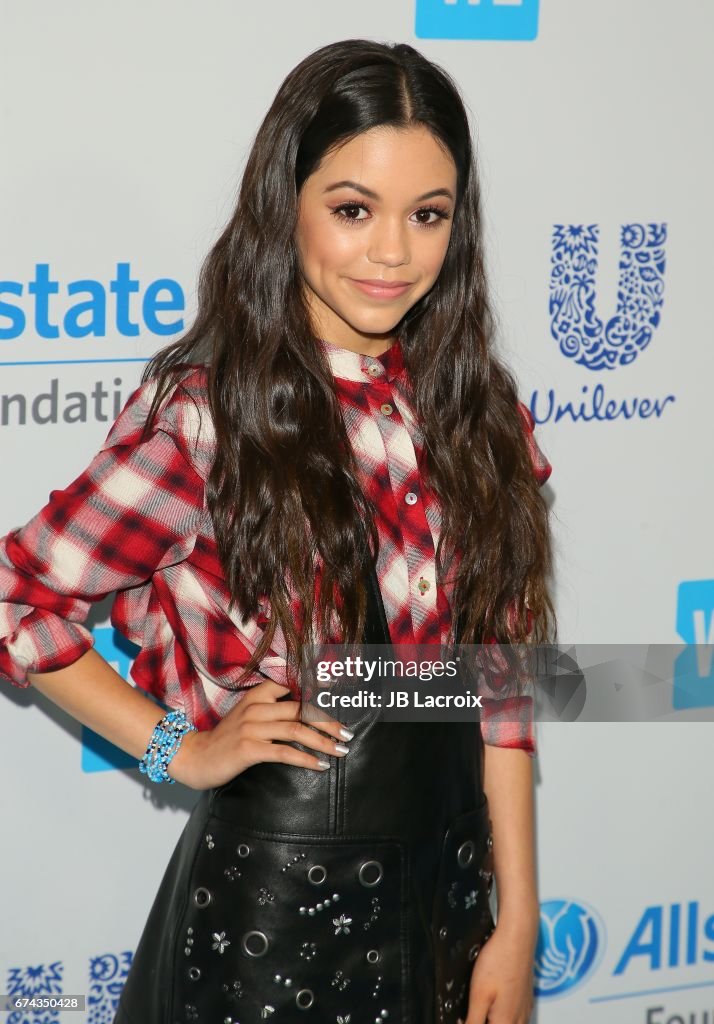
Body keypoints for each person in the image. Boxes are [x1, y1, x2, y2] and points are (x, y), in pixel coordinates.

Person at [0, 39, 555, 1024]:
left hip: (453, 894)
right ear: (284, 203)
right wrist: (183, 744)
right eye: (353, 208)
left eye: (427, 215)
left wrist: (519, 918)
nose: (393, 252)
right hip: (279, 914)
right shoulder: (210, 415)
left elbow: (497, 685)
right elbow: (20, 596)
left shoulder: (479, 412)